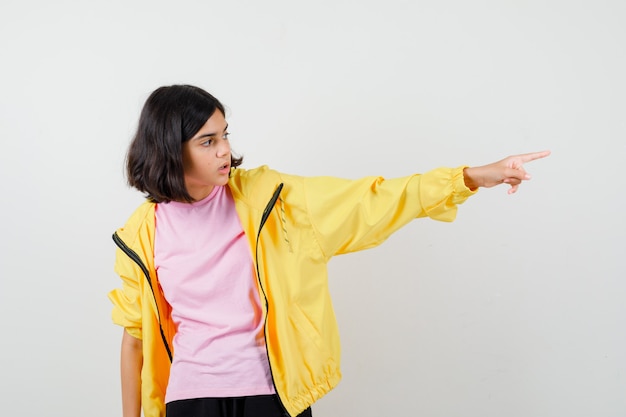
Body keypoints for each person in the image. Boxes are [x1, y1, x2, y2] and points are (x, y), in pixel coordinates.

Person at [108, 84, 550, 417]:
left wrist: (469, 177)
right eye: (208, 141)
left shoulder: (271, 200)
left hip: (273, 392)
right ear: (170, 149)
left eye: (224, 134)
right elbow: (135, 341)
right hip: (191, 399)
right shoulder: (142, 233)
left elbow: (371, 199)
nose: (226, 150)